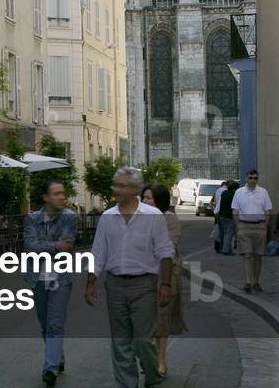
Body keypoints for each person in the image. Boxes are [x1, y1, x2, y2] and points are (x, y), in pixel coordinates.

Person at [86, 166, 174, 388]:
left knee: (143, 340)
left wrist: (165, 284)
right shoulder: (107, 217)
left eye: (122, 185)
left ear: (135, 189)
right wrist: (91, 282)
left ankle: (153, 374)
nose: (117, 189)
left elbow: (165, 252)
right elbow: (98, 253)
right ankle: (127, 384)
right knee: (120, 341)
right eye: (116, 185)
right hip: (115, 285)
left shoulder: (153, 216)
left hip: (144, 284)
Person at [23, 180, 77, 386]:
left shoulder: (69, 217)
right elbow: (30, 245)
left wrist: (43, 246)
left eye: (63, 193)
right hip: (37, 278)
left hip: (60, 278)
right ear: (46, 197)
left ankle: (50, 369)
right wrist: (55, 245)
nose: (62, 197)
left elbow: (67, 243)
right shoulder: (32, 218)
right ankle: (58, 358)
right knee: (45, 324)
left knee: (55, 323)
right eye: (56, 194)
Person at [141, 185, 187, 376]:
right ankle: (148, 358)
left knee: (161, 319)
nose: (144, 201)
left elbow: (167, 245)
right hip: (144, 274)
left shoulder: (170, 218)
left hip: (165, 274)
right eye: (143, 197)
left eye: (149, 198)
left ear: (159, 201)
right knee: (145, 320)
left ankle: (160, 361)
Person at [231, 169, 273, 293]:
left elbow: (268, 210)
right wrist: (238, 226)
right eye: (251, 178)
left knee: (258, 255)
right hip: (244, 226)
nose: (253, 180)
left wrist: (265, 225)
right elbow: (235, 211)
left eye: (255, 178)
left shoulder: (263, 192)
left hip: (259, 226)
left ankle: (256, 281)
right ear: (246, 178)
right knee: (247, 254)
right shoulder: (239, 192)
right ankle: (248, 282)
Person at [217, 181, 239, 256]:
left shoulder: (224, 193)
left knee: (223, 233)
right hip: (229, 217)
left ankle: (225, 248)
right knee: (229, 234)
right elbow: (234, 207)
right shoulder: (233, 196)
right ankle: (226, 250)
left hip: (221, 216)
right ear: (234, 189)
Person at [212, 182, 228, 252]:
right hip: (223, 213)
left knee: (217, 230)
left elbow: (211, 201)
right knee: (224, 231)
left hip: (216, 213)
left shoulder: (216, 191)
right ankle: (222, 246)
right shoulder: (226, 191)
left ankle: (217, 246)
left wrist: (213, 209)